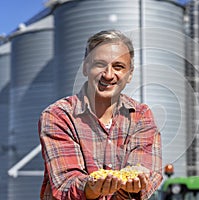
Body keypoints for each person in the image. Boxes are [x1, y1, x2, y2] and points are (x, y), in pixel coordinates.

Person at [38, 30, 162, 200]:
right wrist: (92, 188)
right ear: (85, 67)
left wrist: (132, 186)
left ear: (130, 74)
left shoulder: (141, 116)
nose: (109, 75)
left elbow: (145, 171)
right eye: (100, 64)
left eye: (118, 67)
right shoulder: (59, 115)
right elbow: (65, 184)